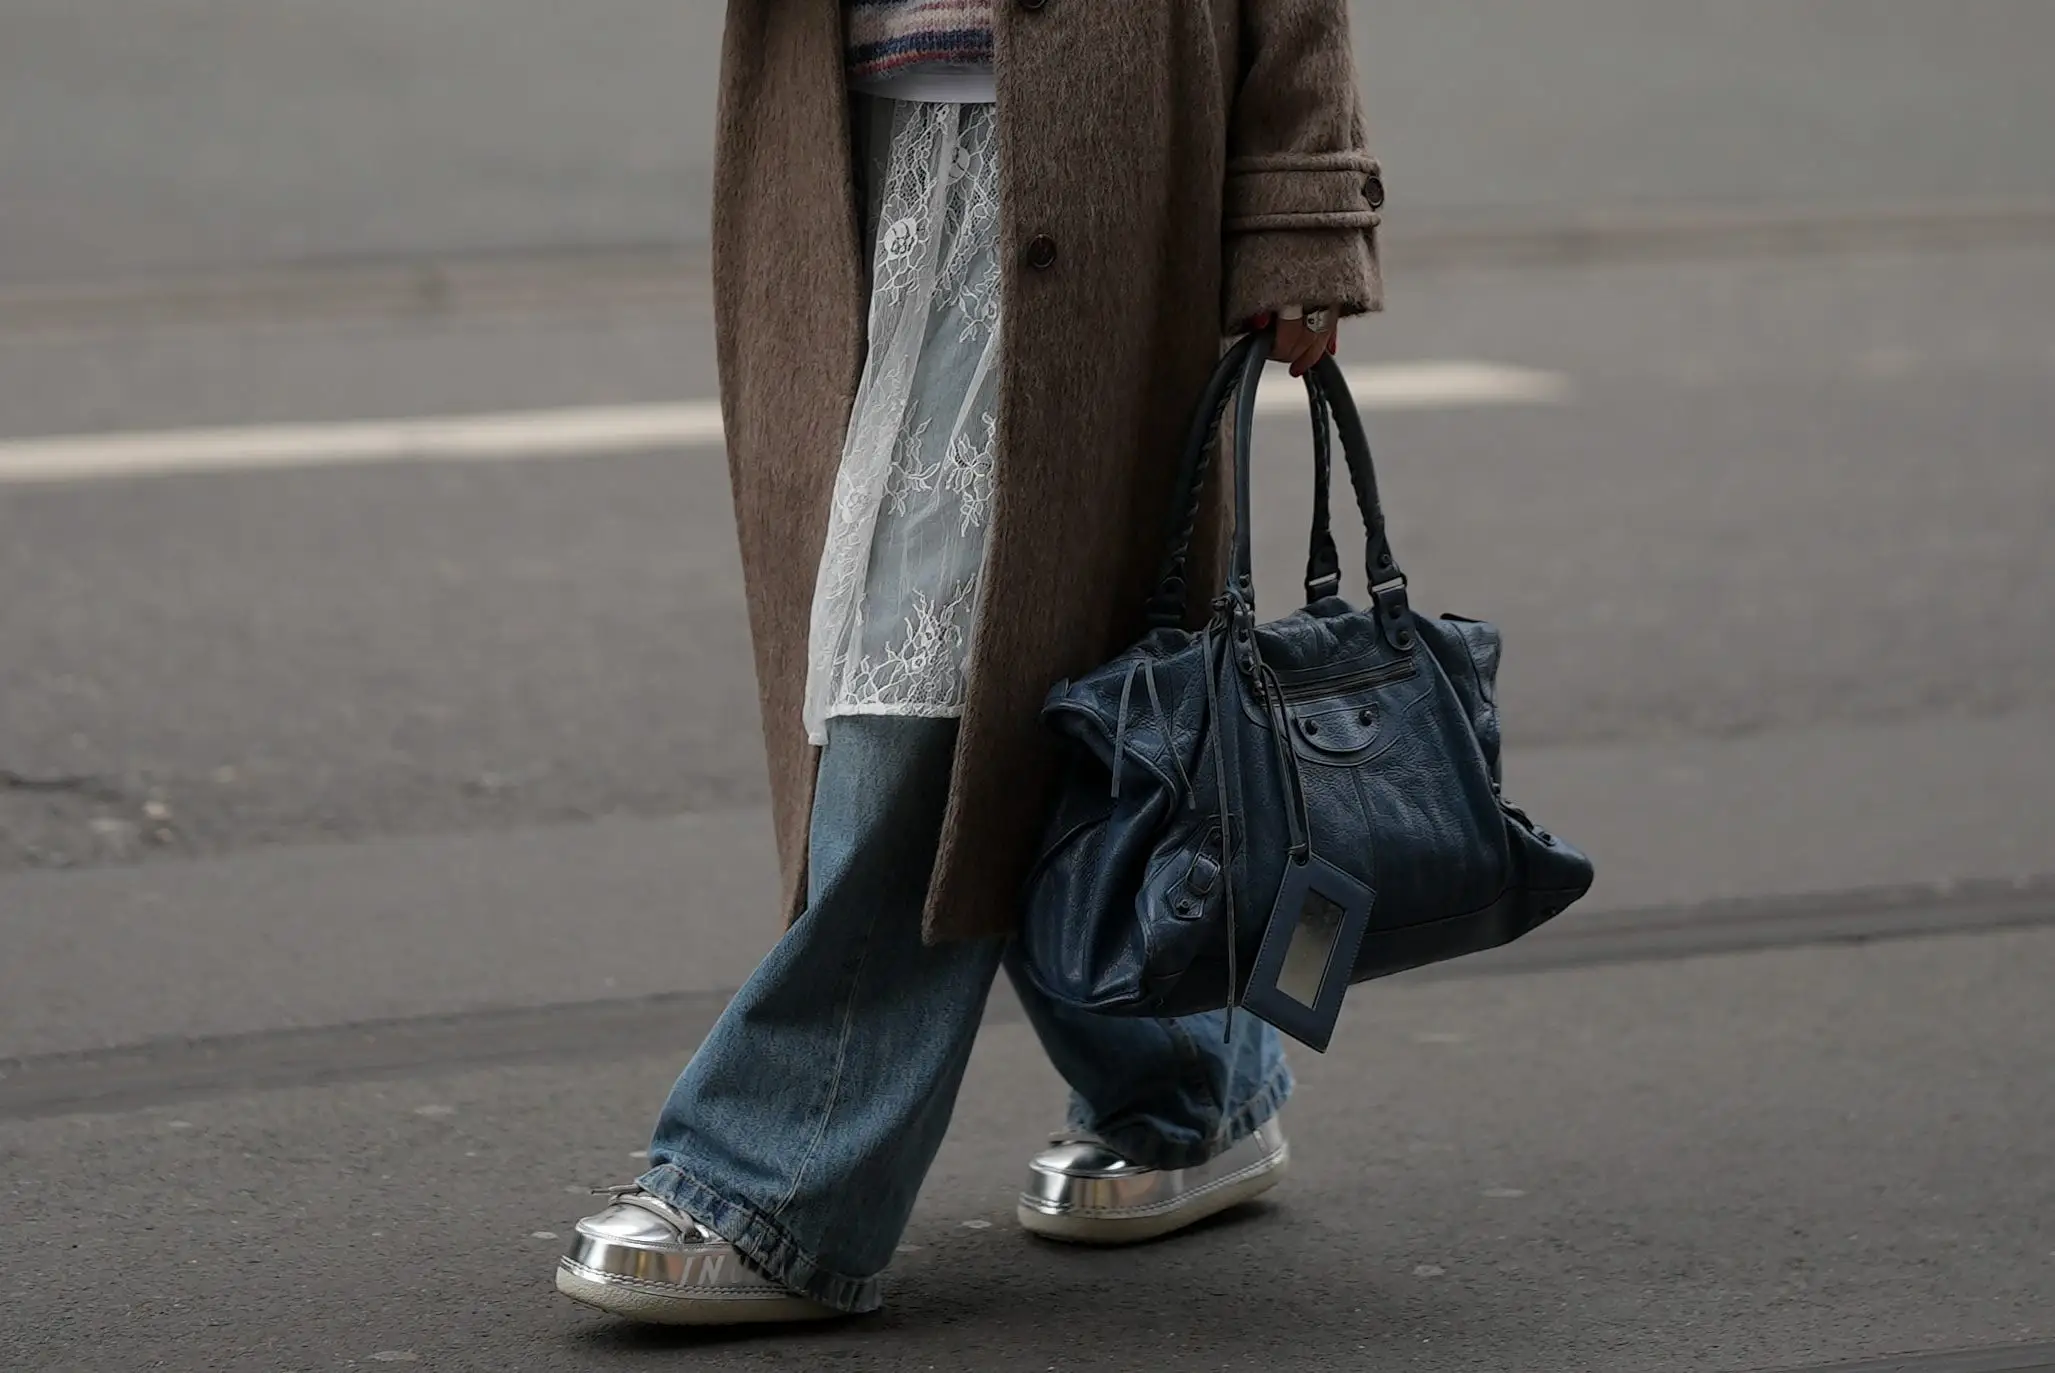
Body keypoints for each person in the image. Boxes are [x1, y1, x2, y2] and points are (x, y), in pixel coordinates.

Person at [555, 0, 1384, 1325]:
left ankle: (774, 1180)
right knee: (1053, 687)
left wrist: (1303, 200)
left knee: (929, 690)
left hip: (1109, 154)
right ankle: (1191, 1085)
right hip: (838, 151)